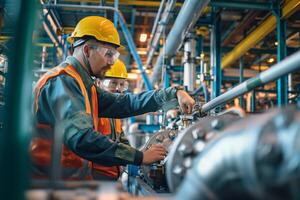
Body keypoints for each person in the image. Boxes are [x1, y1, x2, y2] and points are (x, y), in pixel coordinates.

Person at [30, 16, 195, 180]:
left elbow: (125, 103)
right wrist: (139, 157)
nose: (111, 63)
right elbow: (83, 139)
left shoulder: (85, 86)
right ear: (87, 50)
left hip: (66, 183)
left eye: (114, 56)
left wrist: (173, 93)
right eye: (108, 54)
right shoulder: (64, 81)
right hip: (46, 183)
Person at [93, 59, 131, 180]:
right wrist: (138, 157)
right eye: (113, 83)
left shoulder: (115, 113)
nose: (119, 88)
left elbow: (122, 140)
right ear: (98, 83)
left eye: (122, 84)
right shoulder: (92, 110)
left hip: (111, 176)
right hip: (95, 177)